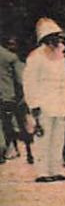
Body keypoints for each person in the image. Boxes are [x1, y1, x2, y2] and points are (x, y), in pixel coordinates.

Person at [22, 19, 65, 182]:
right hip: (44, 101)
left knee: (58, 137)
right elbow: (29, 82)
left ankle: (56, 169)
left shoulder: (61, 55)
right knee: (43, 137)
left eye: (57, 37)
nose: (56, 40)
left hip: (60, 102)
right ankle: (42, 171)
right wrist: (34, 104)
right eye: (52, 37)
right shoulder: (36, 57)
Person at [0, 35, 30, 166]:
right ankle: (7, 150)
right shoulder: (10, 57)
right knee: (8, 124)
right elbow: (20, 79)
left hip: (6, 96)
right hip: (7, 96)